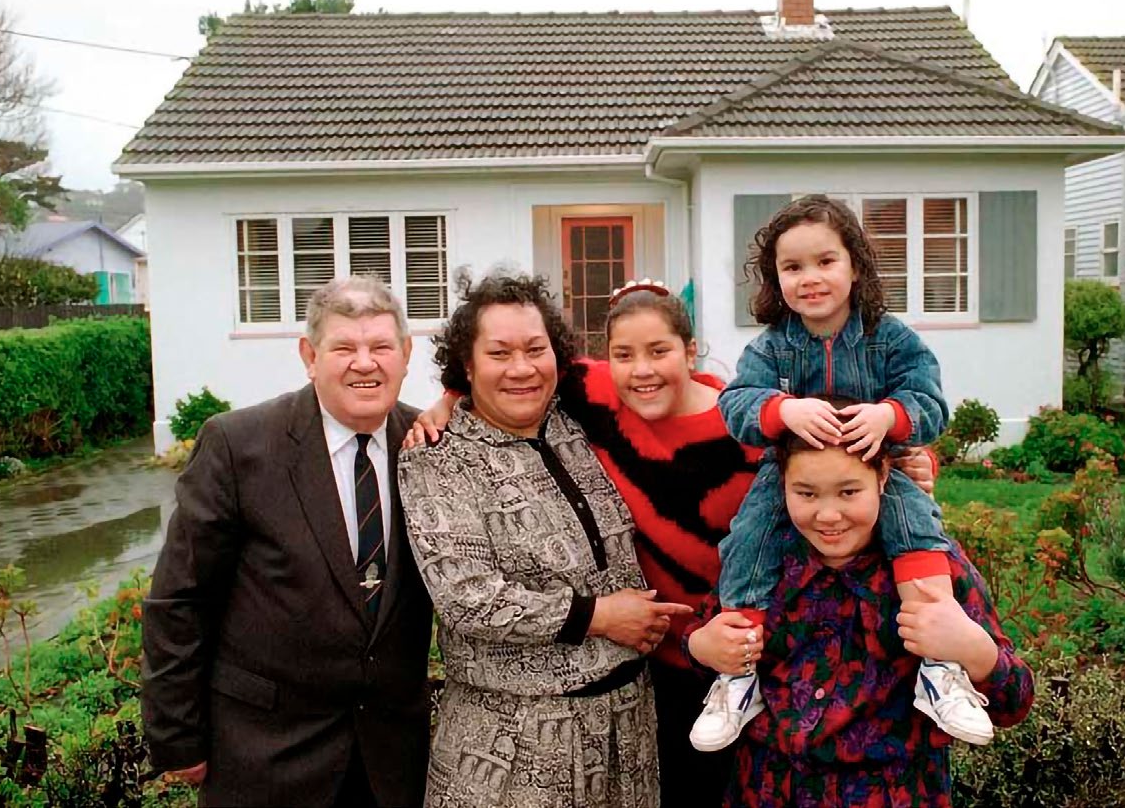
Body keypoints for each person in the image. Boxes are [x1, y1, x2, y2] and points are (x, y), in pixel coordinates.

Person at [411, 279, 941, 808]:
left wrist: (911, 462)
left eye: (659, 351)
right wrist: (450, 398)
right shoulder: (578, 406)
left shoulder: (734, 427)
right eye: (624, 355)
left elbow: (835, 461)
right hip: (605, 698)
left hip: (747, 663)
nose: (641, 369)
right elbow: (466, 592)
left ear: (689, 352)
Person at [693, 194, 993, 753]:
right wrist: (783, 411)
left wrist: (889, 415)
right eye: (792, 266)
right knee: (749, 540)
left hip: (881, 471)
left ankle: (939, 668)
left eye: (825, 261)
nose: (810, 278)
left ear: (855, 265)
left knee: (919, 533)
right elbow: (736, 405)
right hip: (791, 478)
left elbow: (931, 404)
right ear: (774, 278)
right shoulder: (773, 347)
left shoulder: (891, 338)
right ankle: (738, 677)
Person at [398, 271, 690, 808]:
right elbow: (465, 598)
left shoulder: (580, 421)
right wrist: (599, 616)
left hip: (629, 733)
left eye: (536, 349)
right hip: (513, 748)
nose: (522, 368)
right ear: (466, 365)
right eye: (499, 353)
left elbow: (678, 386)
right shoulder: (438, 457)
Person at [141, 276, 434, 807]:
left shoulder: (431, 447)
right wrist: (176, 735)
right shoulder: (239, 446)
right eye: (343, 347)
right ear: (309, 354)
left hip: (394, 759)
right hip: (265, 756)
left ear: (406, 354)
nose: (364, 363)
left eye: (381, 347)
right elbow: (181, 599)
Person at [686, 417, 1035, 806]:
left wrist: (974, 648)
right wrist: (703, 645)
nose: (828, 515)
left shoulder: (934, 571)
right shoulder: (758, 564)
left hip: (891, 793)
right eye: (806, 494)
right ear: (779, 487)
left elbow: (1013, 702)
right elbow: (713, 649)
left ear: (883, 478)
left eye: (849, 492)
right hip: (769, 790)